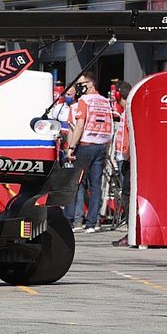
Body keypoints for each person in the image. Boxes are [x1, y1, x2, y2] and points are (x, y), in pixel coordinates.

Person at [64, 76, 113, 233]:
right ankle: (93, 222)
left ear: (90, 84)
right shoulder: (105, 101)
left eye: (81, 85)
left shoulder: (85, 100)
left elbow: (79, 126)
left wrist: (71, 147)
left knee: (76, 183)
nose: (78, 88)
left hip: (85, 145)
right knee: (96, 186)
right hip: (101, 145)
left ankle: (75, 220)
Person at [111, 81, 132, 247]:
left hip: (128, 159)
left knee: (127, 194)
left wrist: (126, 155)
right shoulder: (126, 111)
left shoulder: (129, 112)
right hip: (125, 157)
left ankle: (131, 230)